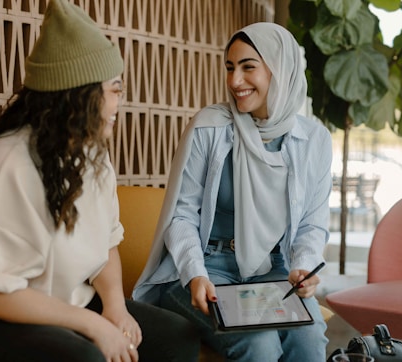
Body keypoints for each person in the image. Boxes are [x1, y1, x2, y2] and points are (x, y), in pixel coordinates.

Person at [0, 1, 200, 361]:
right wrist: (93, 326)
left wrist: (116, 309)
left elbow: (106, 247)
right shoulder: (7, 162)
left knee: (176, 337)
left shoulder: (93, 154)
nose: (121, 100)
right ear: (80, 95)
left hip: (65, 303)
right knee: (84, 356)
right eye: (115, 89)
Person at [133, 22, 332, 361]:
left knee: (309, 339)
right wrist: (195, 274)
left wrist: (303, 267)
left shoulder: (314, 139)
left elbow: (313, 224)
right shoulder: (210, 127)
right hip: (206, 268)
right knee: (259, 343)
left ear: (279, 70)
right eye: (230, 68)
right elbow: (181, 215)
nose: (234, 81)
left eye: (248, 67)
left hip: (274, 269)